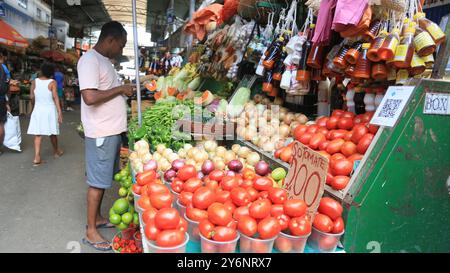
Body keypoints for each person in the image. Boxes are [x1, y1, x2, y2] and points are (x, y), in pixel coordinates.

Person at [77, 21, 135, 251]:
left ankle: (98, 217)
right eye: (120, 46)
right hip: (101, 132)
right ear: (110, 40)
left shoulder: (104, 61)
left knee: (102, 180)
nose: (120, 51)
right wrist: (121, 89)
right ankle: (91, 230)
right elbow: (90, 97)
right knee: (96, 183)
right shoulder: (90, 61)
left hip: (110, 130)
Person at [27, 63, 64, 165]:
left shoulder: (34, 81)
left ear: (42, 71)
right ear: (52, 73)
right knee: (52, 132)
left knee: (38, 134)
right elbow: (55, 98)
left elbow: (32, 97)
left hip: (38, 109)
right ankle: (56, 152)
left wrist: (32, 108)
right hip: (49, 110)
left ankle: (37, 157)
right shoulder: (52, 82)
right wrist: (59, 112)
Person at [0, 50, 11, 156]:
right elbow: (8, 84)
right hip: (1, 99)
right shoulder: (4, 68)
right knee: (1, 124)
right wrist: (7, 101)